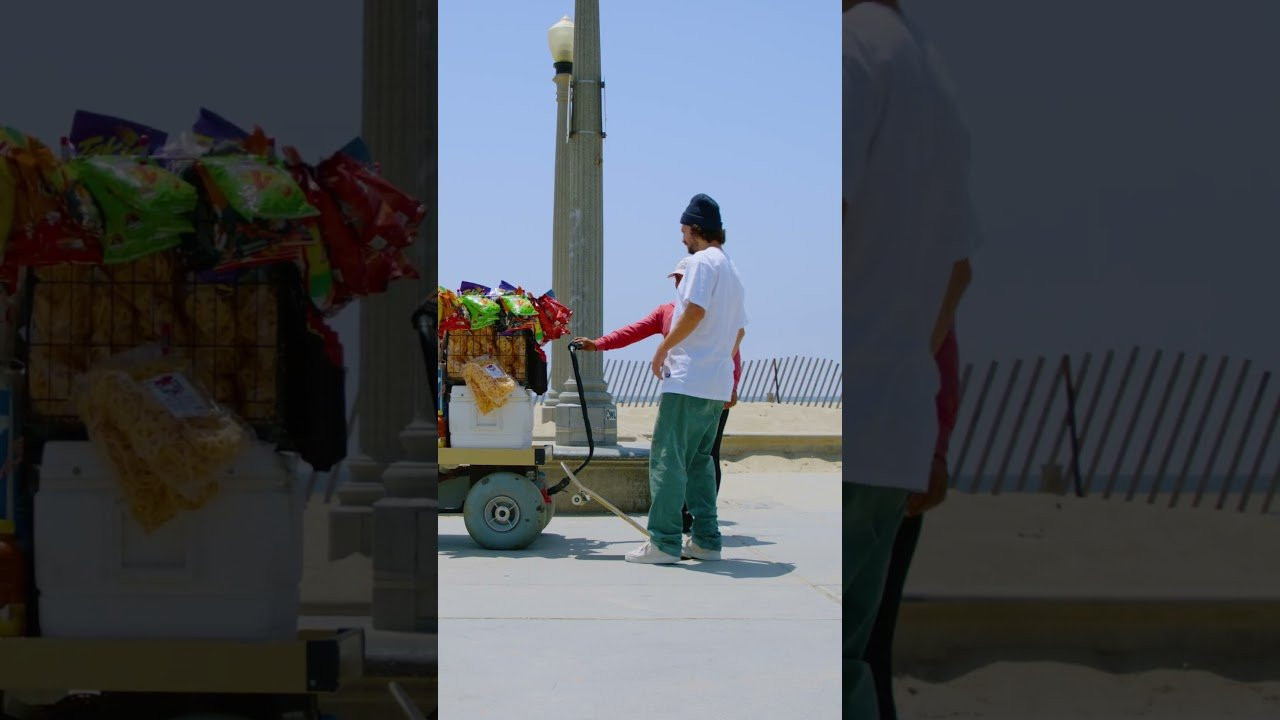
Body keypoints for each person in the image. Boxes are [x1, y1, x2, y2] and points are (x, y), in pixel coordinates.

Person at [843, 0, 982, 716]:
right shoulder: (933, 76)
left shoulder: (849, 57)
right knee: (856, 664)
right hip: (891, 427)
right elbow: (956, 273)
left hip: (837, 431)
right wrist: (896, 365)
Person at [571, 256, 742, 534]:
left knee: (705, 456)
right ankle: (688, 521)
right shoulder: (667, 311)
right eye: (675, 278)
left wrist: (733, 384)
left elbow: (734, 347)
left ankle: (691, 525)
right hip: (684, 390)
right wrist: (597, 344)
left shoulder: (711, 311)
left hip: (712, 392)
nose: (677, 282)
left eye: (682, 278)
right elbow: (633, 331)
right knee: (681, 457)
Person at [623, 193, 747, 564]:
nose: (682, 239)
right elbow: (739, 331)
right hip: (716, 384)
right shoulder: (732, 270)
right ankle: (707, 540)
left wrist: (663, 349)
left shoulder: (701, 263)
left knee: (667, 459)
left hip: (688, 380)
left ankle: (663, 543)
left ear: (695, 230)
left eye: (684, 231)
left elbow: (693, 311)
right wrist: (721, 362)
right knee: (699, 462)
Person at [862, 324, 961, 720]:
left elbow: (941, 355)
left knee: (868, 643)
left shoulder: (913, 273)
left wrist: (934, 454)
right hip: (890, 462)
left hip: (887, 467)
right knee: (867, 644)